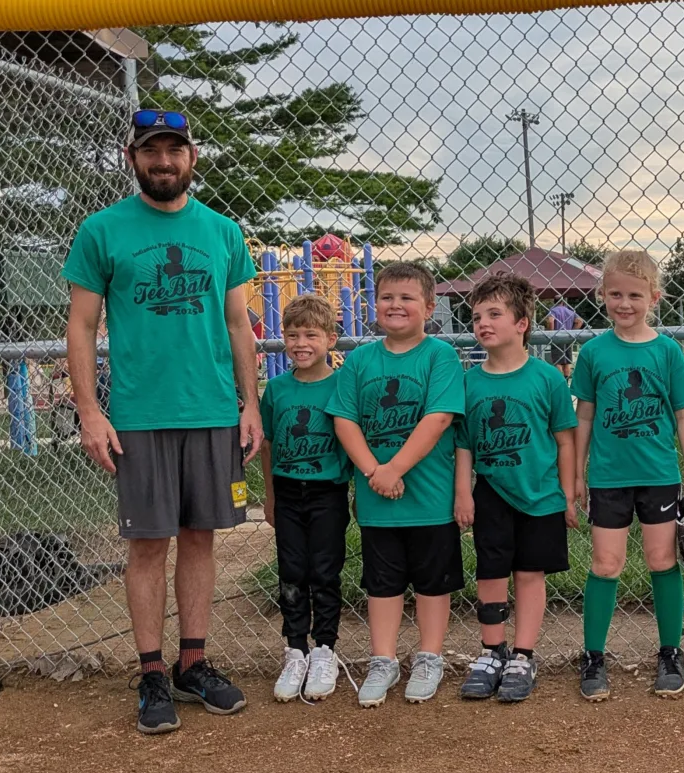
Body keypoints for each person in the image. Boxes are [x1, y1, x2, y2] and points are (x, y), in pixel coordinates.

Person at [63, 109, 261, 735]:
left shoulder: (223, 233)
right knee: (148, 544)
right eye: (152, 151)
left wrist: (249, 403)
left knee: (201, 536)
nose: (164, 162)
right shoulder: (102, 231)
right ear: (133, 158)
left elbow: (238, 324)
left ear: (192, 158)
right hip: (140, 416)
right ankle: (151, 673)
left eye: (175, 150)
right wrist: (90, 411)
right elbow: (82, 325)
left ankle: (192, 663)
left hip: (209, 409)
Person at [326, 262, 465, 707]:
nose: (395, 305)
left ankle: (429, 656)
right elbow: (345, 419)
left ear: (428, 307)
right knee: (382, 582)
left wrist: (395, 469)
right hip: (377, 497)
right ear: (374, 306)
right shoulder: (361, 360)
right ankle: (382, 659)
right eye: (387, 297)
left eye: (407, 298)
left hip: (430, 496)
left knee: (431, 581)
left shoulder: (439, 355)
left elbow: (438, 418)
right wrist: (374, 471)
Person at [572, 250, 684, 700]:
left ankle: (670, 651)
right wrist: (576, 475)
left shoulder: (666, 350)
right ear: (602, 295)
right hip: (608, 477)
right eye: (614, 294)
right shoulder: (593, 352)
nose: (623, 303)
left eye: (634, 294)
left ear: (654, 297)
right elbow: (584, 418)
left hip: (658, 474)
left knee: (661, 560)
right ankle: (593, 655)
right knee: (606, 564)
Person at [454, 272, 579, 703]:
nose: (483, 323)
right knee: (490, 572)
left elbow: (565, 439)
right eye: (476, 317)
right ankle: (492, 651)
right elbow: (465, 443)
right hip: (492, 491)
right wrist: (463, 492)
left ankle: (523, 654)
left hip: (540, 494)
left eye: (494, 314)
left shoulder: (546, 378)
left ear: (522, 323)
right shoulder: (469, 381)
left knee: (529, 573)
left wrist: (569, 493)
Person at [258, 295, 352, 702]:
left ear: (330, 339)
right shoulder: (277, 389)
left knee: (325, 570)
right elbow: (268, 443)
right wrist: (270, 495)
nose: (300, 343)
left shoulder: (341, 386)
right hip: (288, 491)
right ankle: (295, 648)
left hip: (327, 491)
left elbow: (352, 442)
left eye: (311, 335)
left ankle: (325, 649)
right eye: (292, 335)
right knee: (292, 570)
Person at [545, 299, 585, 379]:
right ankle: (566, 380)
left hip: (557, 338)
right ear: (563, 302)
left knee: (558, 361)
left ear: (554, 302)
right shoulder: (570, 311)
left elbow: (550, 321)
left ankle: (559, 380)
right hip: (568, 338)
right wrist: (572, 331)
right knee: (567, 361)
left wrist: (552, 332)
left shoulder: (553, 310)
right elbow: (580, 321)